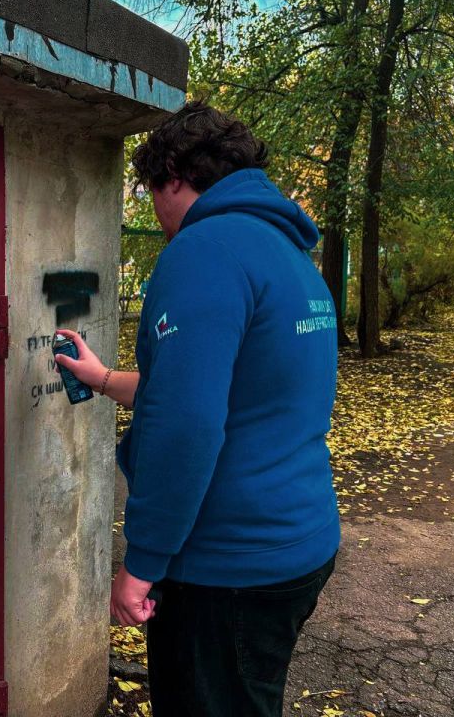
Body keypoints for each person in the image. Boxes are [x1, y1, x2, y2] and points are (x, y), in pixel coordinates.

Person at [54, 102, 340, 717]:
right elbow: (232, 394)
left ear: (174, 176)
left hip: (226, 566)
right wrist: (101, 378)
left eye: (150, 191)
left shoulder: (201, 251)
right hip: (299, 540)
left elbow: (185, 425)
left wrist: (143, 561)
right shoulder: (291, 255)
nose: (153, 213)